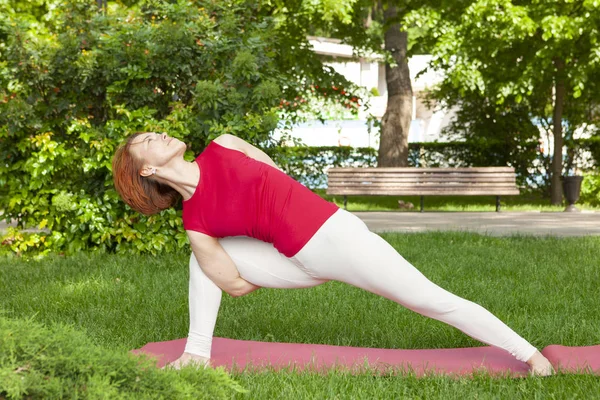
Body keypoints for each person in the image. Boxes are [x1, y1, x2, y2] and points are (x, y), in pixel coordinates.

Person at [112, 132, 554, 376]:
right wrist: (256, 250)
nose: (162, 132)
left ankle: (531, 356)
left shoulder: (225, 145)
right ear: (147, 169)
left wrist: (278, 220)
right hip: (294, 261)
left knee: (428, 299)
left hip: (338, 239)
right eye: (150, 138)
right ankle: (197, 354)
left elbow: (276, 179)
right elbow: (235, 284)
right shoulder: (196, 222)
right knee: (199, 256)